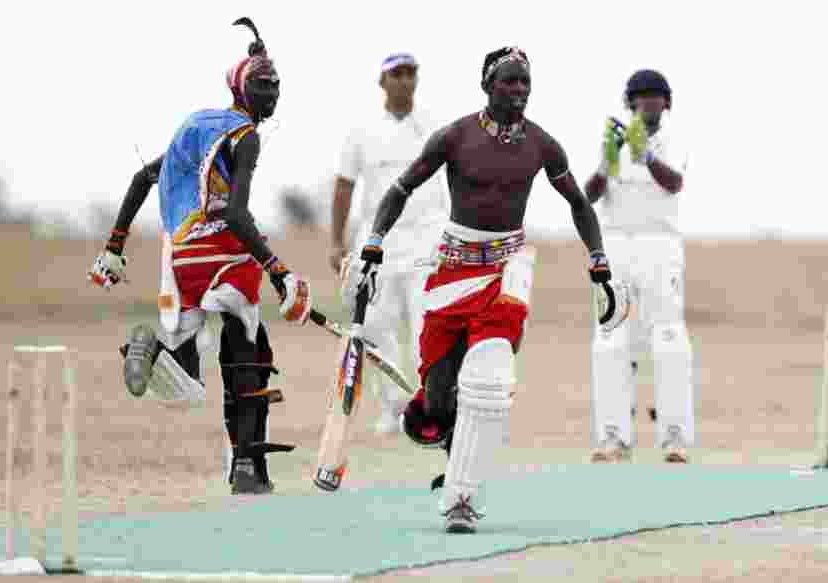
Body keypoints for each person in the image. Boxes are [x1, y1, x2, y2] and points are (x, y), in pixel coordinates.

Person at [356, 47, 625, 534]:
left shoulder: (543, 145)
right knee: (439, 397)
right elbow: (399, 189)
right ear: (487, 86)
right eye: (509, 82)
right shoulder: (453, 137)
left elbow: (579, 204)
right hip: (452, 267)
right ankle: (450, 441)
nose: (519, 90)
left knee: (489, 381)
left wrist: (599, 262)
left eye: (525, 82)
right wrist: (373, 244)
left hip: (508, 270)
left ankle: (462, 498)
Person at [85, 18, 311, 495]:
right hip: (227, 256)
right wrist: (279, 270)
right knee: (249, 354)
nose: (271, 94)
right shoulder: (244, 135)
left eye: (276, 85)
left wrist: (115, 247)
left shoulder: (199, 125)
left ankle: (154, 350)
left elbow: (144, 177)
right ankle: (248, 469)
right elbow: (235, 212)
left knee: (187, 373)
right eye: (261, 85)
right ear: (239, 87)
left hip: (184, 255)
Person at [329, 52, 450, 436]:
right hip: (378, 240)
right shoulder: (361, 131)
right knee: (379, 328)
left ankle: (427, 406)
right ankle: (392, 410)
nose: (404, 80)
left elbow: (458, 179)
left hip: (427, 237)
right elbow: (345, 186)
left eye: (411, 73)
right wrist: (337, 241)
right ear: (382, 81)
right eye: (396, 74)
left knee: (425, 329)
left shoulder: (434, 127)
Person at [583, 69, 695, 464]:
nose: (647, 103)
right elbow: (589, 195)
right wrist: (606, 163)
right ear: (629, 102)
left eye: (655, 96)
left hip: (660, 246)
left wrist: (644, 154)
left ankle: (674, 437)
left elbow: (673, 183)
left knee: (667, 339)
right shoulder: (613, 138)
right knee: (611, 338)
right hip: (615, 246)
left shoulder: (673, 138)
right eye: (640, 97)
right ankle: (613, 436)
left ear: (667, 102)